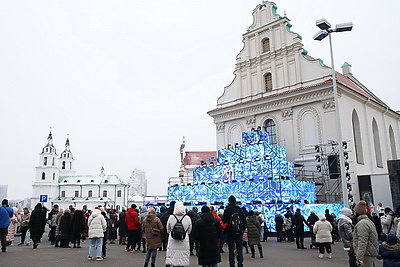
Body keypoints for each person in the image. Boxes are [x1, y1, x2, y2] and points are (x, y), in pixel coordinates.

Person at [165, 201, 192, 267]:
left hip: (173, 241)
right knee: (183, 257)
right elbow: (189, 230)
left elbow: (168, 230)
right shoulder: (187, 218)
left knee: (173, 257)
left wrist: (172, 233)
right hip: (184, 240)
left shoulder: (171, 217)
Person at [222, 195, 246, 267]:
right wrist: (242, 230)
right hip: (239, 233)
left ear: (229, 202)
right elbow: (244, 222)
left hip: (230, 233)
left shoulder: (227, 210)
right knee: (239, 250)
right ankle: (240, 264)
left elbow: (223, 221)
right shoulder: (240, 210)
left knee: (231, 250)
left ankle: (232, 264)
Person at [353, 200, 379, 267]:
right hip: (370, 252)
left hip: (366, 254)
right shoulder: (369, 221)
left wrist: (359, 257)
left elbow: (362, 241)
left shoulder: (362, 224)